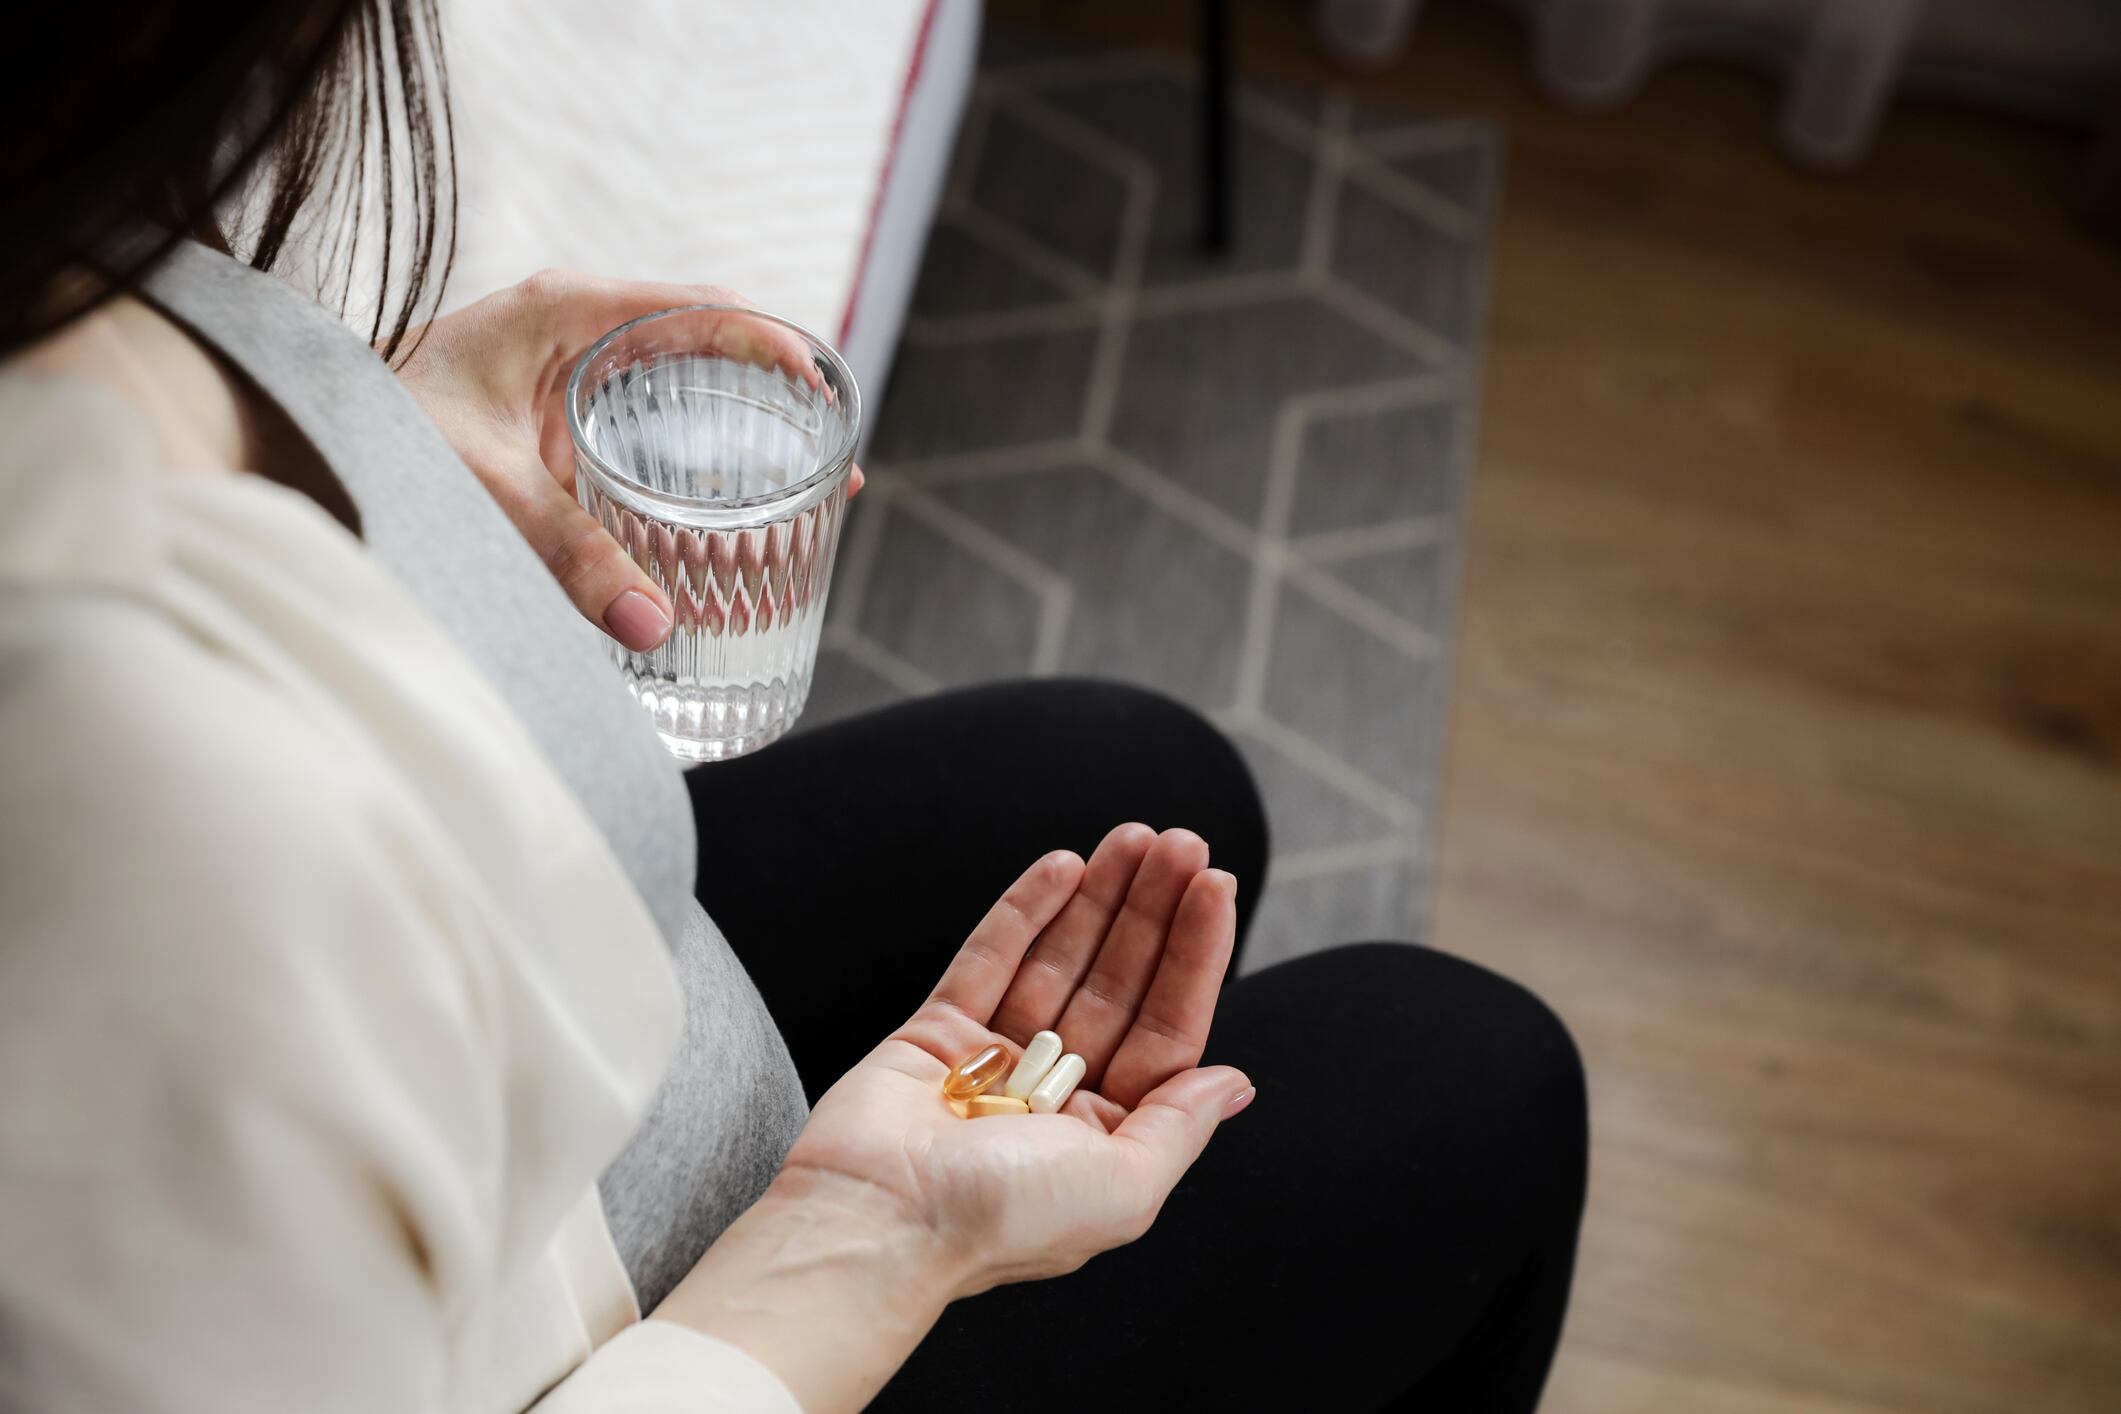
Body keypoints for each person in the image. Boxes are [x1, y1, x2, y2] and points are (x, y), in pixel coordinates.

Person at [0, 2, 1588, 1410]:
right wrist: (864, 1239)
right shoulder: (149, 827)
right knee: (1474, 1079)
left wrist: (352, 429)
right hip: (623, 1328)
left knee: (1136, 767)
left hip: (538, 1044)